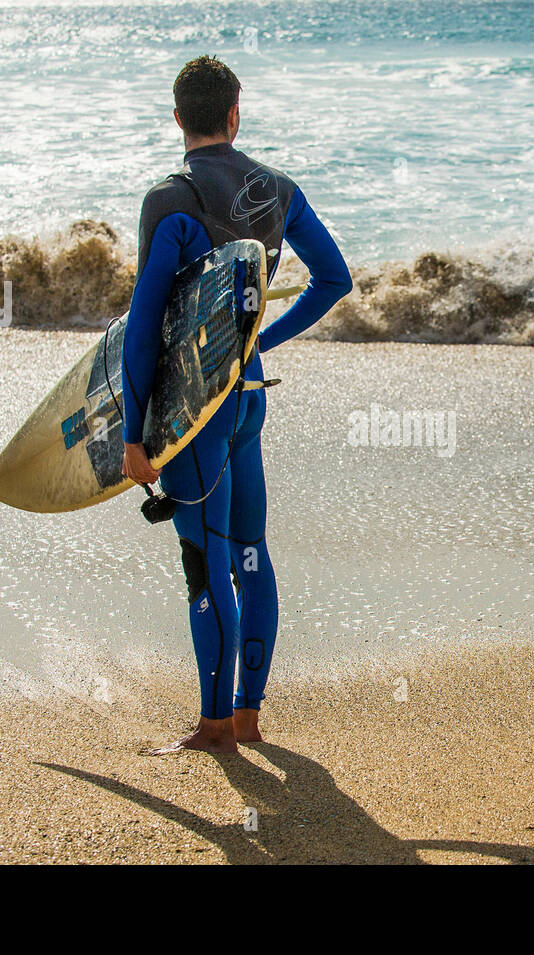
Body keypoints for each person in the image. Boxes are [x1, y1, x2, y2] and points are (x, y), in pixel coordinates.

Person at [120, 56, 351, 754]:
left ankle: (215, 725)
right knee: (250, 553)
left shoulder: (171, 198)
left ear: (176, 118)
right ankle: (248, 715)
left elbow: (144, 322)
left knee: (205, 559)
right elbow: (333, 280)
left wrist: (134, 434)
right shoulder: (276, 189)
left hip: (196, 417)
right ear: (234, 114)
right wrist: (257, 343)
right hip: (248, 397)